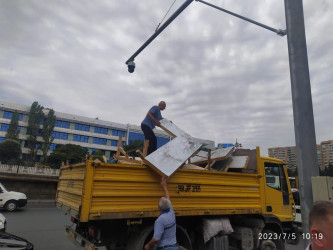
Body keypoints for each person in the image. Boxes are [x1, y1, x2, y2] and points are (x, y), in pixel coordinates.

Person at [144, 177, 178, 250]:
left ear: (159, 208)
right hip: (174, 247)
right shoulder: (171, 212)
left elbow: (156, 239)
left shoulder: (160, 220)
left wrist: (148, 245)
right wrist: (164, 186)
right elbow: (168, 198)